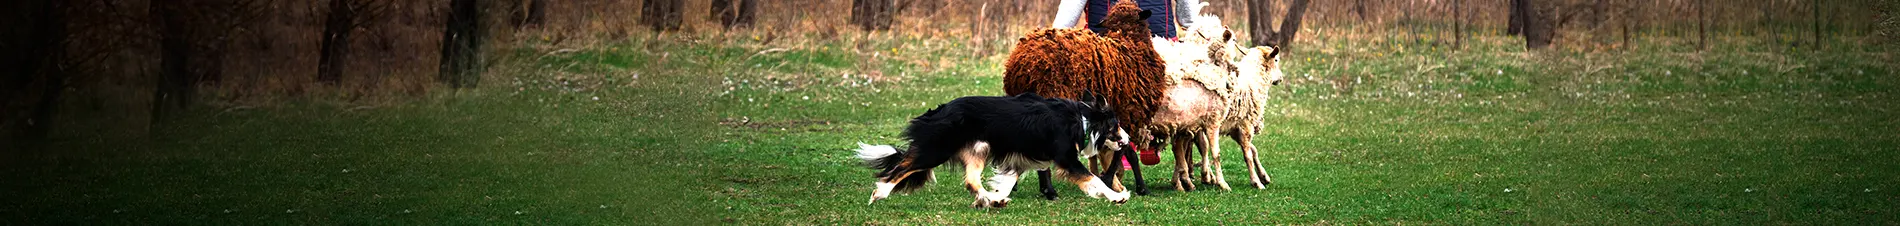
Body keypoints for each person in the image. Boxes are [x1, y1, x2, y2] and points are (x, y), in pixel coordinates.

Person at [1052, 0, 1201, 39]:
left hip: (1104, 47)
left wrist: (1055, 35)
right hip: (1159, 45)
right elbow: (1188, 18)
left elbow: (1068, 14)